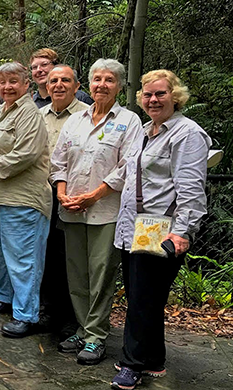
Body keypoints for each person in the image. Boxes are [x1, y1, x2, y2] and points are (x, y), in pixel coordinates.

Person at [109, 70, 210, 390]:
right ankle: (152, 359)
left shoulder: (187, 134)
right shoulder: (143, 130)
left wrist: (182, 232)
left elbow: (192, 188)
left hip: (162, 227)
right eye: (148, 94)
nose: (153, 100)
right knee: (143, 295)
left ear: (175, 96)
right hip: (136, 226)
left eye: (160, 94)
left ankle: (132, 363)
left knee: (143, 297)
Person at [50, 59, 142, 365]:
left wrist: (94, 195)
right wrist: (62, 193)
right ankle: (83, 328)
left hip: (106, 211)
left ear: (119, 86)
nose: (102, 84)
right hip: (71, 210)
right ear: (88, 84)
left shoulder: (130, 121)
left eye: (109, 80)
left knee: (101, 275)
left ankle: (96, 336)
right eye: (97, 79)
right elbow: (58, 162)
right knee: (77, 275)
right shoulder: (75, 121)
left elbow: (127, 166)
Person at [0, 62, 51, 338]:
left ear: (26, 84)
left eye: (13, 81)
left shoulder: (29, 113)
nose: (7, 87)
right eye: (3, 82)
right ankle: (7, 297)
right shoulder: (1, 112)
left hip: (22, 198)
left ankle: (26, 315)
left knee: (23, 258)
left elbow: (25, 155)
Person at [37, 64, 90, 336]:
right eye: (53, 81)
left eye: (65, 80)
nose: (58, 85)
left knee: (70, 258)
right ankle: (49, 312)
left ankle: (73, 318)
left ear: (77, 87)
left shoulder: (88, 116)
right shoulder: (37, 116)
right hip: (40, 196)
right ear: (46, 87)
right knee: (44, 256)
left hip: (73, 197)